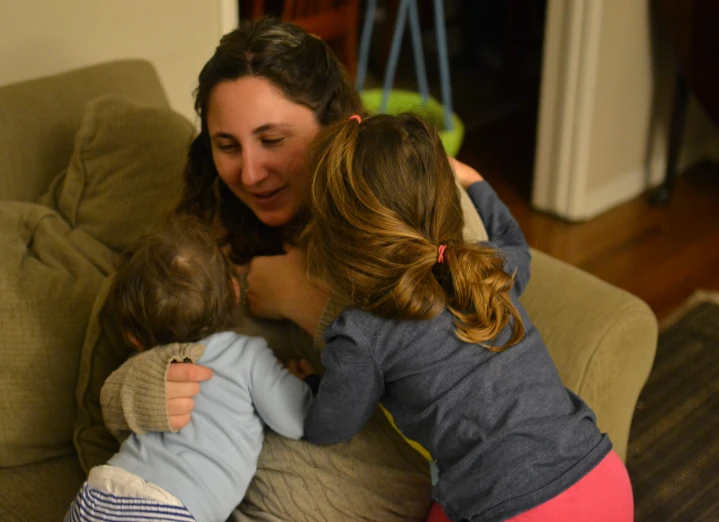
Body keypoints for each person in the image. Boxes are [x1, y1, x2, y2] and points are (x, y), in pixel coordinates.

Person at [99, 16, 491, 521]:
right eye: (227, 145)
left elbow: (478, 352)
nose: (251, 172)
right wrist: (143, 390)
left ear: (333, 125)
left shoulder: (410, 193)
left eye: (273, 139)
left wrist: (310, 304)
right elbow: (125, 376)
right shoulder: (208, 232)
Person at [293, 112, 634, 522]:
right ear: (446, 198)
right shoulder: (488, 270)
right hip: (603, 478)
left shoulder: (360, 334)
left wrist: (309, 386)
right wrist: (475, 180)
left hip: (511, 510)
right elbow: (516, 245)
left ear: (335, 239)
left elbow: (332, 426)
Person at [66, 216, 315, 522]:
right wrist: (300, 383)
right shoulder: (247, 354)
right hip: (170, 508)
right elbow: (294, 420)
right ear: (235, 292)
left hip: (99, 492)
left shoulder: (149, 366)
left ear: (135, 340)